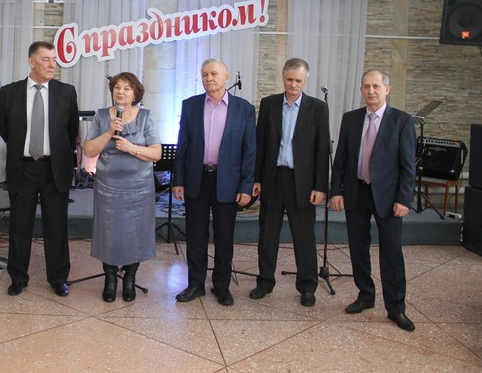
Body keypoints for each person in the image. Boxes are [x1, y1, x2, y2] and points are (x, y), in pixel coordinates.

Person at [330, 70, 417, 332]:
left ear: (386, 89)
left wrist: (404, 199)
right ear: (361, 90)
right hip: (356, 192)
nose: (371, 91)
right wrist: (336, 191)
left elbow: (408, 166)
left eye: (376, 86)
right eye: (366, 86)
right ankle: (365, 295)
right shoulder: (351, 119)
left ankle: (396, 307)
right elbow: (341, 159)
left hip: (388, 197)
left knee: (391, 252)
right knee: (358, 248)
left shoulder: (402, 121)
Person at [0, 41, 79, 297]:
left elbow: (71, 132)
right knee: (20, 226)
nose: (52, 64)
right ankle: (18, 278)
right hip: (22, 168)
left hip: (54, 168)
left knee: (56, 226)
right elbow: (4, 129)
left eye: (54, 60)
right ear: (31, 62)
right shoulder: (9, 92)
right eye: (46, 59)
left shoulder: (67, 92)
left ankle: (58, 278)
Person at [173, 59, 255, 306]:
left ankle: (222, 286)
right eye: (204, 74)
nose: (208, 78)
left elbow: (250, 151)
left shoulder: (244, 109)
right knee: (196, 235)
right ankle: (195, 284)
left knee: (224, 236)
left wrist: (246, 186)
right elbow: (182, 145)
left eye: (214, 74)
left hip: (228, 181)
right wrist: (178, 180)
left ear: (226, 77)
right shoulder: (190, 105)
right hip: (196, 178)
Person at [250, 58, 329, 307]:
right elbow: (260, 144)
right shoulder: (269, 104)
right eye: (289, 79)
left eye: (298, 80)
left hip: (303, 183)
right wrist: (256, 178)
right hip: (273, 179)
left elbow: (322, 150)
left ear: (305, 81)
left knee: (304, 238)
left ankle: (307, 287)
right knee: (267, 235)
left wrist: (320, 186)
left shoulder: (317, 108)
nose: (293, 85)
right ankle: (265, 282)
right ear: (283, 78)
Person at [82, 72, 162, 302]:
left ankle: (130, 278)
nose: (121, 91)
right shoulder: (101, 116)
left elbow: (156, 153)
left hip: (139, 187)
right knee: (109, 232)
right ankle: (110, 278)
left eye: (127, 88)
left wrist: (131, 148)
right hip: (108, 185)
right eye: (117, 87)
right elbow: (89, 150)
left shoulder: (145, 117)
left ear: (135, 93)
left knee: (136, 233)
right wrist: (109, 132)